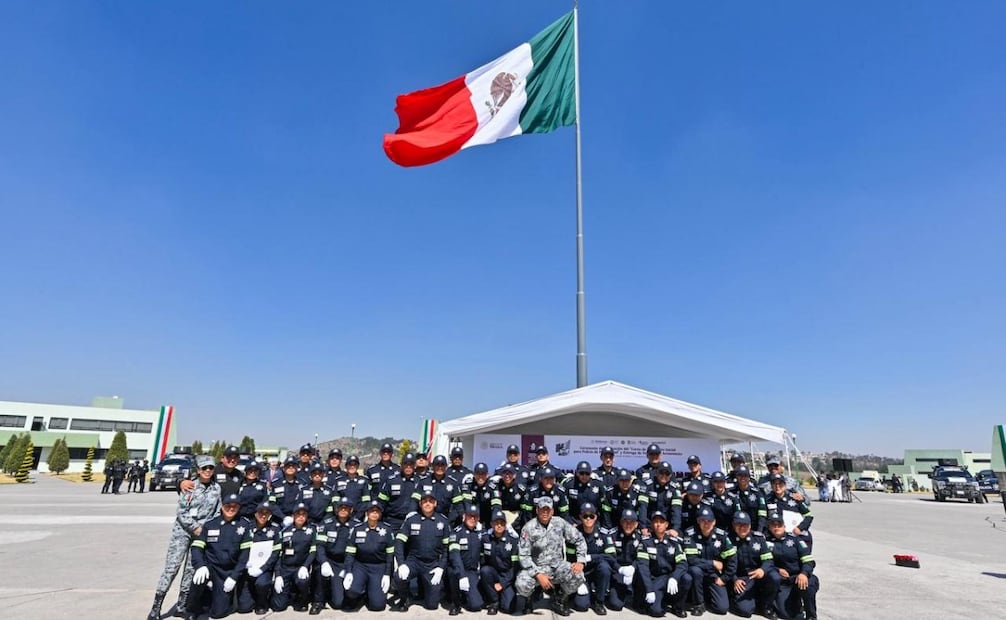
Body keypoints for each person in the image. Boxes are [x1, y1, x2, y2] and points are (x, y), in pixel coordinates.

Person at [147, 455, 221, 620]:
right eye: (204, 468)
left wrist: (207, 529)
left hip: (201, 535)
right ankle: (156, 608)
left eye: (210, 468)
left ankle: (182, 606)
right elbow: (181, 511)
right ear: (198, 470)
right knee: (171, 568)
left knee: (190, 571)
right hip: (182, 533)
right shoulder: (190, 486)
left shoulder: (216, 489)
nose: (207, 471)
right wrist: (194, 527)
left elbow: (217, 511)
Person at [514, 496, 588, 617]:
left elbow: (579, 539)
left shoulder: (560, 523)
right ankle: (529, 600)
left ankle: (559, 599)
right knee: (521, 583)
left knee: (578, 575)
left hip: (557, 567)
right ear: (537, 510)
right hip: (537, 568)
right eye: (542, 509)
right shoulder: (528, 528)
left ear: (552, 511)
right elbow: (523, 555)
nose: (545, 512)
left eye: (548, 509)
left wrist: (580, 560)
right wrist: (538, 575)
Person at [187, 493, 249, 619]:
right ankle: (192, 610)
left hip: (228, 572)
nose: (231, 509)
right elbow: (197, 547)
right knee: (199, 579)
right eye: (228, 506)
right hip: (211, 568)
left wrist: (234, 577)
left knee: (218, 613)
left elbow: (244, 556)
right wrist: (200, 565)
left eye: (235, 506)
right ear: (222, 506)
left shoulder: (244, 525)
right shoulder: (210, 524)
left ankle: (217, 597)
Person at [392, 485, 451, 612]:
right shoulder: (411, 520)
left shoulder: (443, 522)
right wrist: (401, 563)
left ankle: (430, 591)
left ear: (435, 503)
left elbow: (447, 548)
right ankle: (405, 598)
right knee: (398, 576)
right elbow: (399, 542)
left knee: (432, 605)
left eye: (430, 501)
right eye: (424, 501)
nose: (427, 504)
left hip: (432, 564)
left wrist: (441, 567)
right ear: (420, 503)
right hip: (414, 561)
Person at [682, 506, 736, 616]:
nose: (706, 524)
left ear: (714, 522)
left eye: (709, 521)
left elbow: (732, 559)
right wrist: (712, 563)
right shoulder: (689, 534)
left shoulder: (722, 536)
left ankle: (707, 595)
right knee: (695, 571)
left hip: (714, 575)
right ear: (698, 521)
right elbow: (691, 560)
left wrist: (724, 578)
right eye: (703, 521)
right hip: (698, 573)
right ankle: (699, 604)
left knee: (722, 608)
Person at [343, 500, 396, 612]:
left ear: (380, 514)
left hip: (378, 567)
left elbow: (390, 556)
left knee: (377, 606)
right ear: (367, 513)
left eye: (377, 511)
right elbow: (350, 554)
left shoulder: (387, 530)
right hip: (360, 566)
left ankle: (370, 593)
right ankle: (361, 594)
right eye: (372, 511)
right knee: (352, 591)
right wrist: (348, 571)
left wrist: (387, 574)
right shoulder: (357, 529)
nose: (374, 513)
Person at [765, 512, 818, 620]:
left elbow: (809, 561)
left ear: (784, 526)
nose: (776, 527)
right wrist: (777, 569)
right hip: (784, 582)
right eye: (773, 525)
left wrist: (804, 573)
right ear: (769, 527)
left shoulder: (796, 540)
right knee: (789, 616)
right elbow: (765, 562)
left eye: (779, 524)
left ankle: (811, 615)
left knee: (810, 583)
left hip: (799, 577)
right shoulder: (766, 542)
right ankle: (793, 602)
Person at [728, 511, 779, 619]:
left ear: (750, 525)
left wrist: (762, 570)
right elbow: (726, 564)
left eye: (745, 525)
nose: (742, 528)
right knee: (746, 611)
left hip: (759, 575)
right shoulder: (729, 540)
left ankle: (767, 606)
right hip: (743, 578)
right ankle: (735, 598)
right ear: (733, 525)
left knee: (774, 577)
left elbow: (768, 559)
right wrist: (734, 579)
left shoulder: (759, 538)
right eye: (739, 525)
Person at [641, 510, 691, 618]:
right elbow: (643, 566)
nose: (658, 524)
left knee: (687, 578)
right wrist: (649, 589)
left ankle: (678, 606)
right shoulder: (646, 542)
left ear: (666, 525)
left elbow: (682, 563)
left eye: (661, 522)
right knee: (656, 612)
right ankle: (663, 600)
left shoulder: (674, 542)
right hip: (656, 579)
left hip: (671, 577)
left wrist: (674, 577)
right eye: (655, 522)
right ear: (652, 524)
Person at [313, 497, 358, 613]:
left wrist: (349, 569)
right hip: (331, 561)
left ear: (351, 510)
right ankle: (318, 601)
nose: (343, 510)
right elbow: (320, 546)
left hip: (348, 562)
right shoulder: (327, 523)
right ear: (336, 509)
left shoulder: (356, 526)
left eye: (346, 508)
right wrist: (324, 562)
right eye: (340, 507)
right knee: (318, 568)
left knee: (341, 601)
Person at [569, 502, 614, 616]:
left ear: (596, 517)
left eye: (591, 516)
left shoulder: (604, 533)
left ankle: (599, 602)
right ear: (580, 517)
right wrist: (578, 580)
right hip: (581, 574)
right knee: (581, 606)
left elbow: (611, 557)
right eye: (585, 516)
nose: (588, 519)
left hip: (597, 573)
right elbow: (569, 559)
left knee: (605, 567)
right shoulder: (574, 534)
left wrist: (589, 558)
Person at [236, 501, 281, 615]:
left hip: (264, 569)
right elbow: (238, 548)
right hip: (247, 568)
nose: (263, 516)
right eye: (261, 513)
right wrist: (244, 563)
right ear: (256, 514)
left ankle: (262, 602)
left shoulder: (275, 529)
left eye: (267, 513)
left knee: (261, 584)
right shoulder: (247, 528)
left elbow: (275, 553)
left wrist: (264, 568)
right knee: (244, 608)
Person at [272, 503, 317, 612]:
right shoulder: (284, 531)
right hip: (285, 568)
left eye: (304, 514)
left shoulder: (311, 530)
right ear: (293, 516)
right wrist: (278, 574)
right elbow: (278, 553)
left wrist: (305, 566)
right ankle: (288, 594)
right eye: (298, 514)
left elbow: (313, 551)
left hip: (300, 568)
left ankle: (303, 599)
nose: (301, 517)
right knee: (278, 606)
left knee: (302, 581)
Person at [607, 508, 650, 613]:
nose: (628, 525)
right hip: (618, 572)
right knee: (616, 605)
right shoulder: (613, 535)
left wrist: (633, 567)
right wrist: (620, 569)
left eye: (631, 522)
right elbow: (610, 557)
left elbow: (641, 558)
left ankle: (637, 596)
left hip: (634, 573)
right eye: (625, 521)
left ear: (636, 524)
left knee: (640, 606)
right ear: (621, 522)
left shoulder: (640, 538)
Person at [480, 508, 521, 615]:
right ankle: (494, 601)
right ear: (491, 524)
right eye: (496, 523)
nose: (499, 525)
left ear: (506, 524)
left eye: (502, 523)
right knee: (485, 571)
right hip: (492, 574)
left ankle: (500, 594)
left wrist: (503, 583)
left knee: (508, 608)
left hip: (507, 576)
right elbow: (482, 560)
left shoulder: (513, 540)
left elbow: (515, 567)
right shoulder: (485, 538)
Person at [447, 505, 486, 615]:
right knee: (453, 572)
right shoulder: (456, 533)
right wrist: (462, 575)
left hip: (472, 571)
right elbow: (455, 557)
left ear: (478, 519)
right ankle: (456, 603)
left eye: (475, 517)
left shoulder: (481, 533)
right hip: (458, 569)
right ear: (464, 516)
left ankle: (466, 594)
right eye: (470, 516)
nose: (472, 519)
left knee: (476, 605)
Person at [764, 473, 813, 550]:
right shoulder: (768, 500)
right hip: (777, 539)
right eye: (774, 484)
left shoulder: (794, 498)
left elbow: (808, 515)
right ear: (771, 486)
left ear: (785, 485)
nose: (777, 486)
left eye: (780, 483)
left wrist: (800, 528)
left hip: (797, 536)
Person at [377, 452, 424, 532]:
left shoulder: (420, 481)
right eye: (406, 464)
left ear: (415, 466)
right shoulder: (391, 480)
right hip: (392, 521)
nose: (408, 467)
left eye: (411, 464)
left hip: (413, 521)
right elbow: (381, 502)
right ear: (401, 465)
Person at [641, 462, 683, 538]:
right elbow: (643, 507)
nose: (664, 476)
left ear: (670, 475)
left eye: (667, 473)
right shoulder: (647, 486)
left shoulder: (674, 489)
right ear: (656, 473)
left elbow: (676, 510)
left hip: (667, 528)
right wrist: (643, 526)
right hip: (649, 526)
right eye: (661, 472)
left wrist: (675, 529)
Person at [564, 461, 607, 525]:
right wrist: (571, 523)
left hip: (593, 522)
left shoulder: (598, 485)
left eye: (587, 473)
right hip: (575, 522)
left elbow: (603, 507)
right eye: (581, 473)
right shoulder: (570, 485)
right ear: (577, 473)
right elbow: (565, 508)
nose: (584, 476)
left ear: (591, 473)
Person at [332, 455, 372, 520]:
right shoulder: (339, 481)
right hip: (342, 517)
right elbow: (335, 500)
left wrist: (358, 516)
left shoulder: (364, 481)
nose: (352, 467)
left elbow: (366, 500)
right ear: (346, 466)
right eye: (350, 464)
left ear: (358, 466)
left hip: (359, 517)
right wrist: (340, 514)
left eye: (354, 464)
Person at [733, 466, 767, 534]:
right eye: (740, 475)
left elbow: (762, 514)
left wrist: (759, 531)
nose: (742, 478)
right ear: (736, 477)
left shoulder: (757, 493)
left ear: (749, 477)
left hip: (756, 529)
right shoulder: (732, 493)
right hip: (738, 530)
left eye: (745, 475)